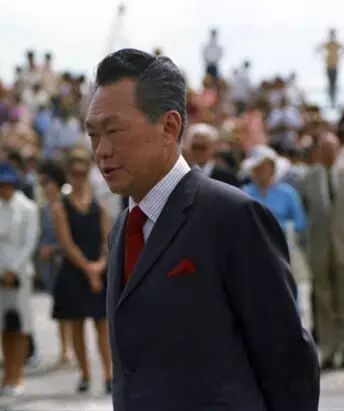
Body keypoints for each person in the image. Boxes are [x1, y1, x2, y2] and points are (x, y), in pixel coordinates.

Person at [85, 48, 319, 411]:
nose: (101, 150)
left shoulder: (232, 217)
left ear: (169, 126)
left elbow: (288, 362)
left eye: (113, 131)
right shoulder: (123, 228)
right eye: (93, 135)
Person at [51, 149, 112, 394]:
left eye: (82, 172)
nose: (78, 176)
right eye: (74, 172)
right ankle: (85, 373)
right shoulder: (60, 206)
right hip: (75, 270)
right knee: (76, 323)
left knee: (102, 324)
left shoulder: (100, 204)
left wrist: (100, 265)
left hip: (97, 267)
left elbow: (107, 239)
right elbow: (66, 243)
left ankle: (108, 374)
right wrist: (89, 269)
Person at [0, 162, 40, 396]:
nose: (2, 188)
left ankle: (17, 377)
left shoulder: (28, 208)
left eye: (5, 184)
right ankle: (6, 377)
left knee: (20, 324)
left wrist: (12, 269)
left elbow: (29, 242)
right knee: (2, 325)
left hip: (18, 272)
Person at [242, 146, 312, 331]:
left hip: (285, 251)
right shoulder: (245, 192)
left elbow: (300, 223)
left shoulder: (287, 193)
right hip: (254, 254)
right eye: (256, 168)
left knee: (291, 295)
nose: (259, 171)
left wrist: (271, 224)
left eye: (263, 167)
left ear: (272, 167)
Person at [298, 134, 344, 369]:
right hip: (319, 247)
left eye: (332, 148)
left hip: (342, 245)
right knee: (323, 299)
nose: (329, 153)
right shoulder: (308, 178)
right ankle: (328, 349)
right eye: (324, 148)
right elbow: (303, 212)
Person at [37, 160, 72, 366]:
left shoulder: (67, 204)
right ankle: (63, 347)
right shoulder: (43, 209)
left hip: (65, 260)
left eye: (47, 183)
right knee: (58, 307)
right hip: (49, 264)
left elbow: (72, 236)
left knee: (69, 306)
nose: (45, 188)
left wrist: (55, 248)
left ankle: (70, 348)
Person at [317, 28, 344, 107]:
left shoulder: (336, 43)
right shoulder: (328, 43)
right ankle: (330, 100)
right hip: (328, 66)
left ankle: (334, 100)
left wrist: (339, 56)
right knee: (330, 84)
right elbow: (318, 48)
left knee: (334, 84)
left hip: (335, 66)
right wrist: (323, 57)